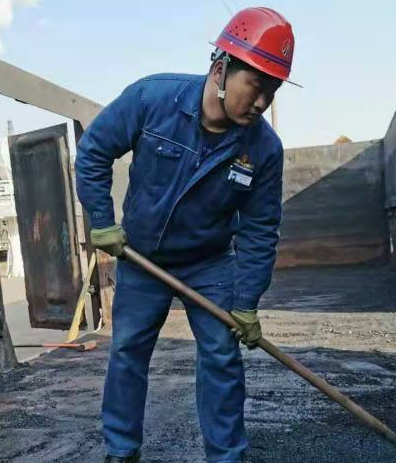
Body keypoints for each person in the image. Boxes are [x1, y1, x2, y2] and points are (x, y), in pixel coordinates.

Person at [75, 7, 298, 463]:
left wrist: (246, 302)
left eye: (271, 91)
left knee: (221, 355)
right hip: (142, 257)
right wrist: (101, 220)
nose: (261, 102)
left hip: (210, 264)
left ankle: (226, 455)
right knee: (128, 351)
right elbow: (93, 151)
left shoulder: (263, 149)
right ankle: (121, 450)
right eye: (256, 86)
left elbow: (260, 230)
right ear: (220, 69)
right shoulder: (152, 99)